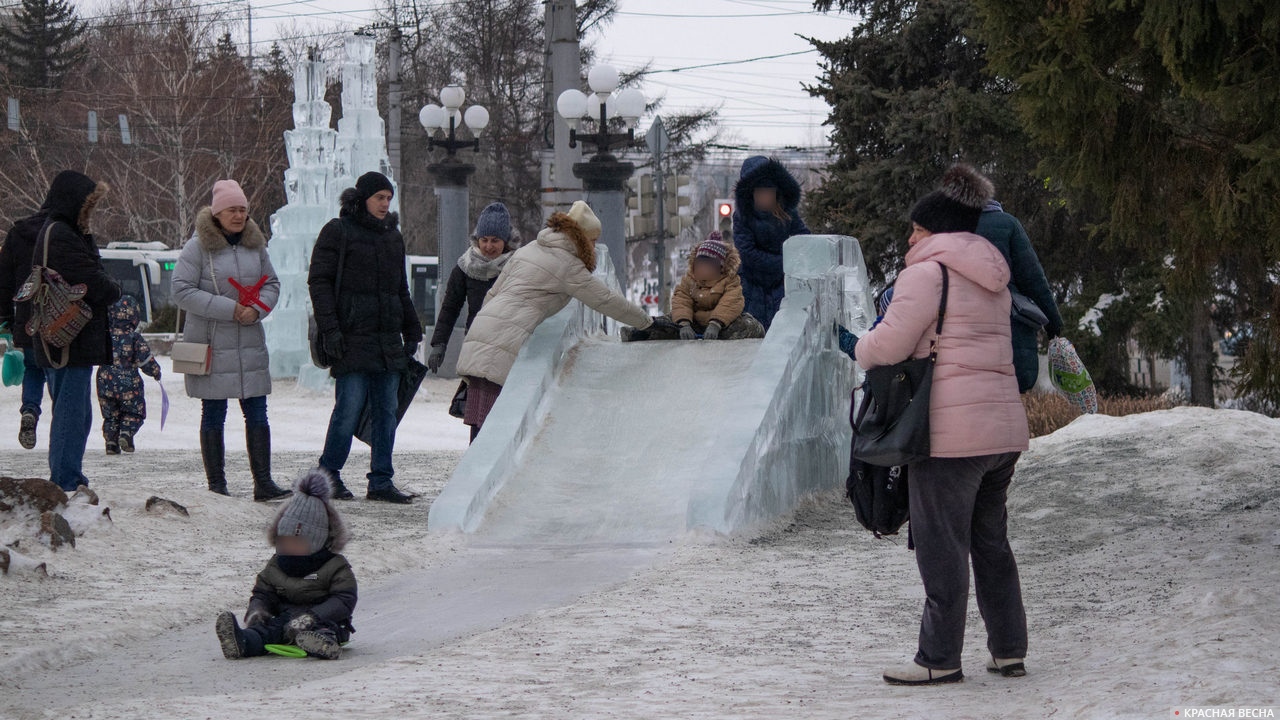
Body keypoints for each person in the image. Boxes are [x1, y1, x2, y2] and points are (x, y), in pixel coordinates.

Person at [852, 164, 1031, 686]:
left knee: (941, 546)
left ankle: (938, 658)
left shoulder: (927, 274)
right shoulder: (994, 277)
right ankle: (1009, 649)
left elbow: (888, 344)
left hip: (950, 434)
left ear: (937, 232)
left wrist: (859, 348)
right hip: (1000, 431)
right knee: (991, 544)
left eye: (917, 229)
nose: (910, 238)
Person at [456, 201, 658, 438]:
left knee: (480, 428)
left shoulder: (529, 248)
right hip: (504, 345)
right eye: (592, 241)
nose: (594, 248)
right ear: (581, 238)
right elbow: (606, 300)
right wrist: (647, 322)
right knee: (494, 431)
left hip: (484, 333)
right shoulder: (568, 265)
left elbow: (492, 294)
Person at [309, 171, 423, 504]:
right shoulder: (338, 231)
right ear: (363, 199)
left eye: (389, 198)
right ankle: (328, 475)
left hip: (386, 341)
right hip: (351, 338)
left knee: (387, 412)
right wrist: (331, 330)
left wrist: (412, 329)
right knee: (348, 408)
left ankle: (381, 481)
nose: (385, 204)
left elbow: (400, 289)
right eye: (379, 198)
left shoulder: (393, 237)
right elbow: (320, 283)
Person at [173, 180, 289, 501]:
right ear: (217, 213)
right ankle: (217, 485)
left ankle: (263, 483)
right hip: (212, 345)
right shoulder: (197, 248)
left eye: (242, 209)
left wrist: (256, 309)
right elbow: (181, 290)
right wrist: (230, 309)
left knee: (257, 413)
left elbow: (273, 284)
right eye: (231, 210)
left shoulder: (255, 246)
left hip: (249, 345)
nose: (238, 216)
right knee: (213, 414)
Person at [30, 171, 121, 492]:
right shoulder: (61, 234)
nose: (91, 213)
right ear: (74, 203)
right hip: (68, 339)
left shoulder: (64, 231)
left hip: (67, 339)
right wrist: (114, 288)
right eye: (88, 205)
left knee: (76, 413)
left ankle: (69, 475)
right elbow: (94, 281)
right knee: (72, 414)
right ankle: (65, 480)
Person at [215, 469, 356, 661]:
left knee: (325, 628)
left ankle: (322, 644)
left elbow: (344, 599)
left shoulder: (334, 565)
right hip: (285, 619)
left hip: (322, 619)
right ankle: (242, 642)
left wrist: (312, 617)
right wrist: (258, 611)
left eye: (297, 544)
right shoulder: (276, 565)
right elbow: (263, 593)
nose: (289, 548)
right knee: (266, 630)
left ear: (317, 543)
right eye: (284, 542)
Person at [975, 200, 1064, 392]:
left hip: (962, 337)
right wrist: (1053, 324)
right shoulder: (1008, 224)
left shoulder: (946, 230)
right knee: (1009, 396)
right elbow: (1033, 279)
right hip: (1009, 327)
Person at [426, 202, 519, 374]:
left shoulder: (517, 265)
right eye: (484, 240)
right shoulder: (465, 266)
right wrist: (439, 343)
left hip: (508, 345)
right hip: (476, 341)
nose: (488, 247)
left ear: (505, 242)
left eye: (495, 241)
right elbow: (450, 307)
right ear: (477, 239)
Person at [622, 231, 764, 342]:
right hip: (692, 322)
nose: (702, 268)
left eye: (707, 264)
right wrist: (684, 323)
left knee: (748, 325)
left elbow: (731, 303)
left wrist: (716, 324)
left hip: (721, 325)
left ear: (720, 267)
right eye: (699, 264)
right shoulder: (690, 280)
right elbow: (681, 299)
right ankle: (638, 332)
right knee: (664, 323)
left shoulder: (730, 281)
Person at [732, 156, 810, 331]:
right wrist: (785, 262)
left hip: (783, 286)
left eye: (769, 191)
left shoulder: (788, 212)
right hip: (751, 288)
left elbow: (804, 239)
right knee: (753, 337)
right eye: (760, 191)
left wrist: (797, 260)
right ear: (750, 192)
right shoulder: (742, 217)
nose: (765, 196)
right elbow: (747, 252)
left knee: (783, 336)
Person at [0, 202, 51, 450]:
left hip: (26, 315)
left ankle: (30, 409)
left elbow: (4, 280)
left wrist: (5, 317)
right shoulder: (62, 232)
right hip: (58, 316)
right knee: (56, 371)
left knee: (32, 367)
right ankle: (62, 420)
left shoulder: (17, 233)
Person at [96, 296, 162, 454]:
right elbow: (145, 359)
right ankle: (126, 433)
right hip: (129, 384)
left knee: (110, 415)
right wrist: (155, 371)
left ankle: (111, 442)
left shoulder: (103, 336)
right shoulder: (134, 338)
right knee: (133, 412)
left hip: (105, 382)